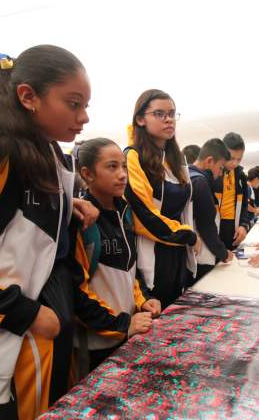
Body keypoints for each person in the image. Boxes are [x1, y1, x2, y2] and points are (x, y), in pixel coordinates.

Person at [0, 45, 98, 420]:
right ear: (28, 97)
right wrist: (23, 313)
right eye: (73, 103)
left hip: (47, 324)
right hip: (11, 333)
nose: (84, 117)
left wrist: (65, 208)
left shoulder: (48, 151)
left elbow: (15, 215)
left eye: (86, 104)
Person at [73, 138, 159, 371]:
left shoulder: (125, 213)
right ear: (87, 174)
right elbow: (75, 294)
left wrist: (143, 301)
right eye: (112, 167)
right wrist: (122, 324)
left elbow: (130, 271)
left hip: (127, 333)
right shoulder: (81, 221)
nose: (122, 174)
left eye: (123, 166)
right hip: (95, 344)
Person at [124, 89, 201, 309]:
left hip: (178, 252)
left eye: (172, 113)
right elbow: (144, 216)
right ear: (140, 119)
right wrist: (188, 235)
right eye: (159, 113)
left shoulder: (176, 159)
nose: (168, 119)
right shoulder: (133, 156)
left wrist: (187, 237)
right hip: (153, 252)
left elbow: (186, 208)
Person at [189, 138, 234, 283]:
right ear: (209, 161)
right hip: (201, 256)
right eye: (220, 168)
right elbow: (206, 226)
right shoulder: (200, 182)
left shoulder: (186, 175)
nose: (220, 174)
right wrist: (223, 253)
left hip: (189, 255)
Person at [214, 133, 255, 251]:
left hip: (233, 230)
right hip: (214, 229)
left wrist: (243, 225)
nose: (235, 163)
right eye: (231, 158)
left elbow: (244, 205)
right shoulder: (211, 174)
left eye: (239, 159)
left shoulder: (240, 176)